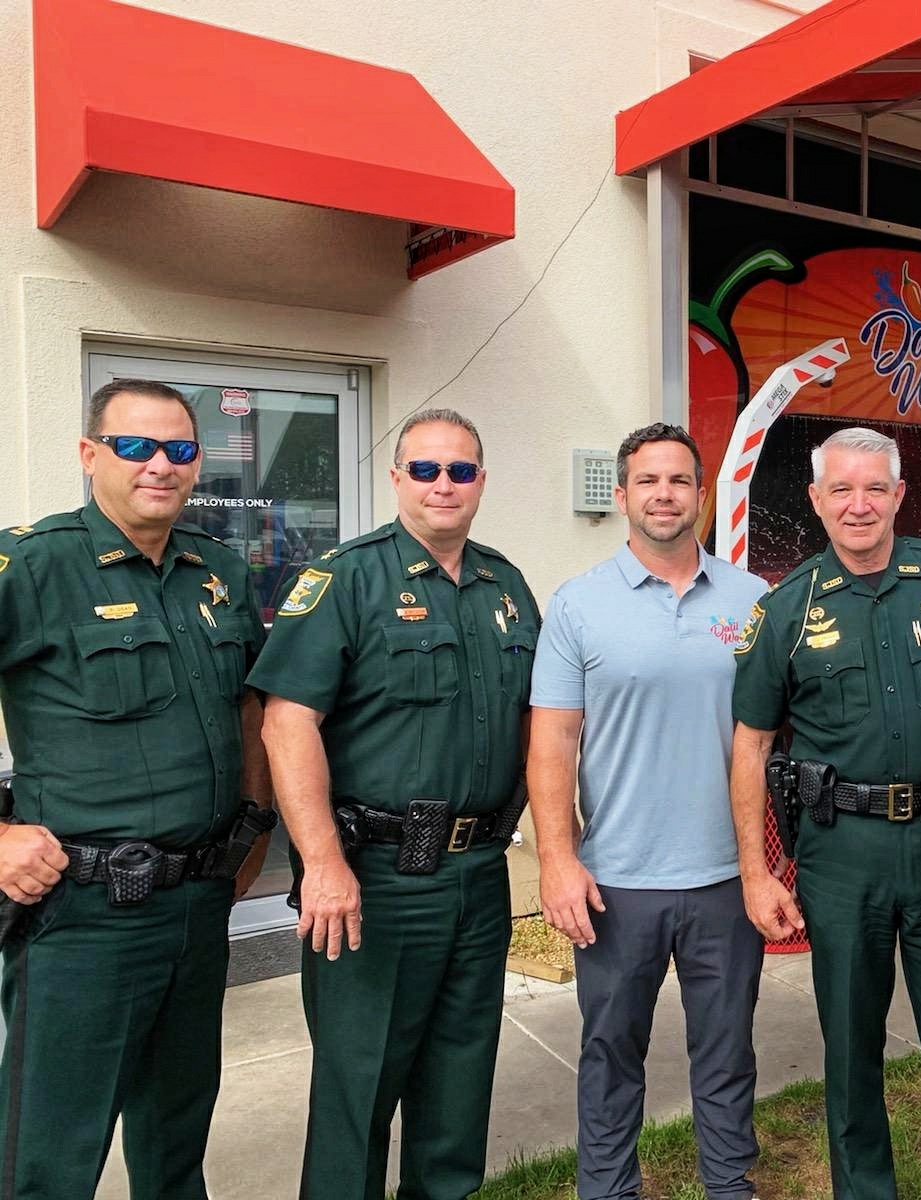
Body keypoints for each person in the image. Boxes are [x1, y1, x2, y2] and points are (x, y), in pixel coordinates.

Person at [248, 408, 540, 1200]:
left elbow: (535, 723)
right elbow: (286, 724)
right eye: (425, 469)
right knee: (359, 1089)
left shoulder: (505, 586)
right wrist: (321, 864)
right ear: (396, 478)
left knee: (459, 1087)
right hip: (376, 881)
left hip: (478, 876)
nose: (443, 484)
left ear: (481, 481)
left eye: (460, 470)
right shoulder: (346, 579)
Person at [0, 379, 275, 1199]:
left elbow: (248, 710)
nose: (160, 464)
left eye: (179, 449)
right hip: (85, 916)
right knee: (50, 1157)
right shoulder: (35, 565)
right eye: (135, 446)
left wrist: (254, 828)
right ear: (90, 455)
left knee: (176, 1137)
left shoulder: (217, 570)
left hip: (197, 905)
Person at [730, 425, 921, 1200]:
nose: (859, 505)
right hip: (841, 855)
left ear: (899, 494)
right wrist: (756, 873)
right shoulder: (785, 607)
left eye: (875, 488)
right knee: (851, 1050)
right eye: (841, 489)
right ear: (816, 499)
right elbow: (751, 744)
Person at [529, 423, 768, 1200]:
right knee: (609, 1052)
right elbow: (552, 742)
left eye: (679, 480)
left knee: (727, 1053)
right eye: (648, 480)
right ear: (623, 494)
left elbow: (773, 735)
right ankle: (607, 1189)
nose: (664, 494)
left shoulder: (752, 600)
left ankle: (729, 1185)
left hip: (725, 878)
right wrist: (557, 859)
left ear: (700, 495)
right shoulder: (578, 604)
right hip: (616, 881)